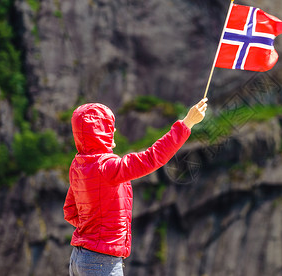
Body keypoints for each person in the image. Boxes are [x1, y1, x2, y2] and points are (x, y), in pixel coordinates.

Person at [63, 98, 208, 276]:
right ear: (99, 131)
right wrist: (187, 124)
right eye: (109, 125)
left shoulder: (78, 165)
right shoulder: (108, 167)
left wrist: (94, 227)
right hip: (101, 262)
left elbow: (70, 211)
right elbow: (151, 158)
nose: (114, 130)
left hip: (79, 259)